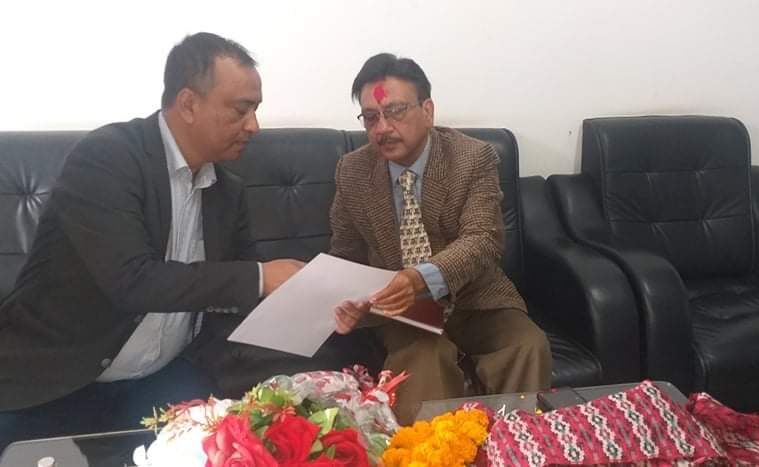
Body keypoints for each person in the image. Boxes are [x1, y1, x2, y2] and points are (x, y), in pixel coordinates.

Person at [0, 32, 304, 450]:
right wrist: (259, 277)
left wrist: (313, 302)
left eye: (256, 109)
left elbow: (242, 290)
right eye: (241, 109)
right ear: (188, 104)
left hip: (163, 376)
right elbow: (132, 281)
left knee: (230, 449)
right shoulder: (107, 158)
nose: (254, 125)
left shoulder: (227, 190)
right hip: (59, 375)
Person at [330, 53, 553, 424]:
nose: (382, 128)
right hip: (403, 311)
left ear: (428, 110)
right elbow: (345, 254)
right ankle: (433, 450)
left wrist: (419, 277)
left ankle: (515, 442)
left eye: (395, 111)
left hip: (476, 296)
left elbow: (483, 240)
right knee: (424, 361)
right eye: (370, 117)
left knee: (526, 345)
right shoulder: (352, 170)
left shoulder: (473, 157)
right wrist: (348, 299)